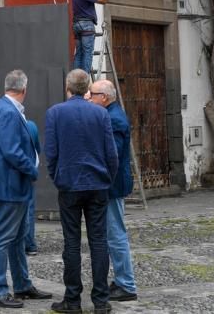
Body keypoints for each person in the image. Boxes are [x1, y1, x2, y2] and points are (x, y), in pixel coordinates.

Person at [0, 69, 52, 309]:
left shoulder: (1, 107)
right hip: (11, 184)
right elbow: (11, 150)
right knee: (3, 238)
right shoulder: (8, 111)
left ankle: (23, 285)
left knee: (17, 237)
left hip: (12, 184)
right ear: (24, 90)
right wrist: (32, 169)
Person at [44, 69, 118, 314]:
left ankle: (73, 300)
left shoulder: (55, 112)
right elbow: (111, 153)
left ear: (67, 86)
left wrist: (57, 177)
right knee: (99, 242)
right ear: (87, 87)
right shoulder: (100, 113)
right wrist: (108, 177)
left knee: (72, 243)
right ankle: (101, 301)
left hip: (70, 184)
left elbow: (51, 152)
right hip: (97, 184)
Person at [89, 80, 137, 302]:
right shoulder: (110, 114)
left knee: (116, 234)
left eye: (93, 94)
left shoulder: (113, 119)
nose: (89, 97)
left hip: (112, 185)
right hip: (111, 184)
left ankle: (126, 284)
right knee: (112, 234)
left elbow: (113, 156)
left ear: (104, 98)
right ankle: (121, 280)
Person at [72, 0, 117, 73]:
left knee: (79, 53)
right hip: (86, 25)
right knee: (87, 54)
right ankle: (85, 80)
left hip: (77, 25)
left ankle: (76, 78)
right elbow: (103, 0)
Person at [25, 119, 41, 256]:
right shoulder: (31, 125)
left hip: (10, 174)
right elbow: (37, 149)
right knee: (29, 209)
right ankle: (30, 244)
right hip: (29, 171)